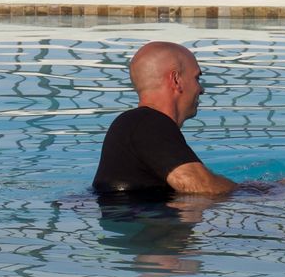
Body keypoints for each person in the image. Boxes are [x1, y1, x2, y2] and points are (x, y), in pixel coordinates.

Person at [92, 41, 237, 199]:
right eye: (197, 78)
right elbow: (200, 186)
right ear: (176, 80)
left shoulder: (138, 124)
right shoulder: (147, 123)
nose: (201, 89)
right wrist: (256, 191)